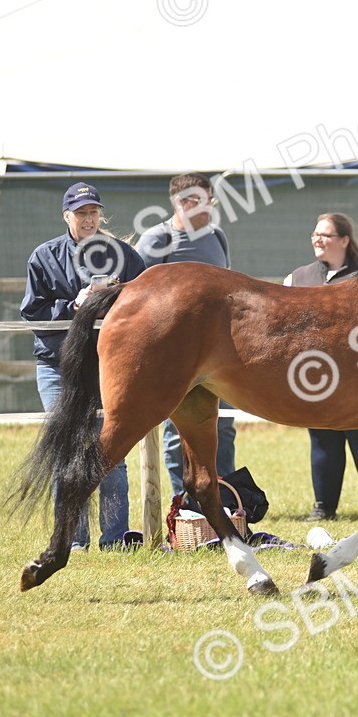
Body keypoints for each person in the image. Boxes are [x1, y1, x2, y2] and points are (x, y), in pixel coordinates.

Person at [21, 181, 147, 550]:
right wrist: (73, 307)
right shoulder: (44, 257)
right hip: (58, 367)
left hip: (108, 367)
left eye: (93, 212)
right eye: (80, 213)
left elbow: (148, 305)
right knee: (68, 450)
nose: (88, 219)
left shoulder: (125, 256)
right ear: (67, 217)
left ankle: (116, 538)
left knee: (111, 449)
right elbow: (32, 312)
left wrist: (112, 303)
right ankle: (72, 540)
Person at [135, 173, 237, 501]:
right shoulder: (156, 239)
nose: (211, 208)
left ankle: (226, 500)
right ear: (183, 203)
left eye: (211, 201)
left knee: (223, 426)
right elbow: (138, 295)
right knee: (176, 430)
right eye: (205, 202)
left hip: (219, 356)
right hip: (175, 357)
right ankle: (186, 504)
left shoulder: (217, 236)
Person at [283, 212, 358, 521]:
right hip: (316, 377)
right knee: (322, 437)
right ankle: (323, 507)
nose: (317, 239)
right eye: (315, 234)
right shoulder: (297, 278)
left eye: (325, 235)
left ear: (344, 240)